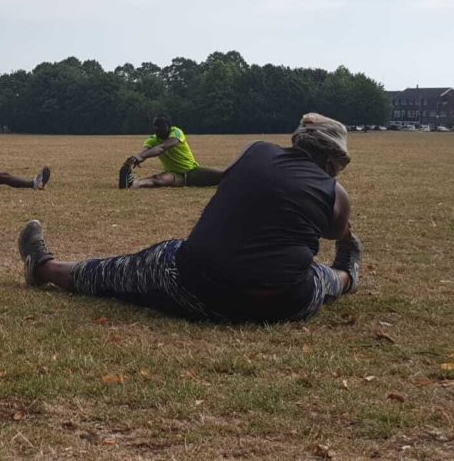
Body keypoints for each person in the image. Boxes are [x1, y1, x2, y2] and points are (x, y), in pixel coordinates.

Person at [18, 113, 361, 323]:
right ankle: (348, 275)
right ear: (334, 162)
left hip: (197, 287)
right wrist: (345, 239)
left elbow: (229, 178)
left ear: (297, 141)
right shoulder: (336, 194)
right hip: (283, 302)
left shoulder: (257, 151)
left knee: (122, 271)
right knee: (322, 276)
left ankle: (45, 267)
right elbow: (336, 231)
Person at [119, 115, 223, 189]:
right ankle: (133, 184)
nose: (157, 129)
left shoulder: (176, 132)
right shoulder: (152, 139)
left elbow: (162, 147)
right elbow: (145, 152)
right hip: (175, 175)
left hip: (191, 171)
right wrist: (135, 159)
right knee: (158, 180)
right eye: (155, 126)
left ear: (169, 126)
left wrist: (140, 157)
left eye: (160, 126)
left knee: (222, 176)